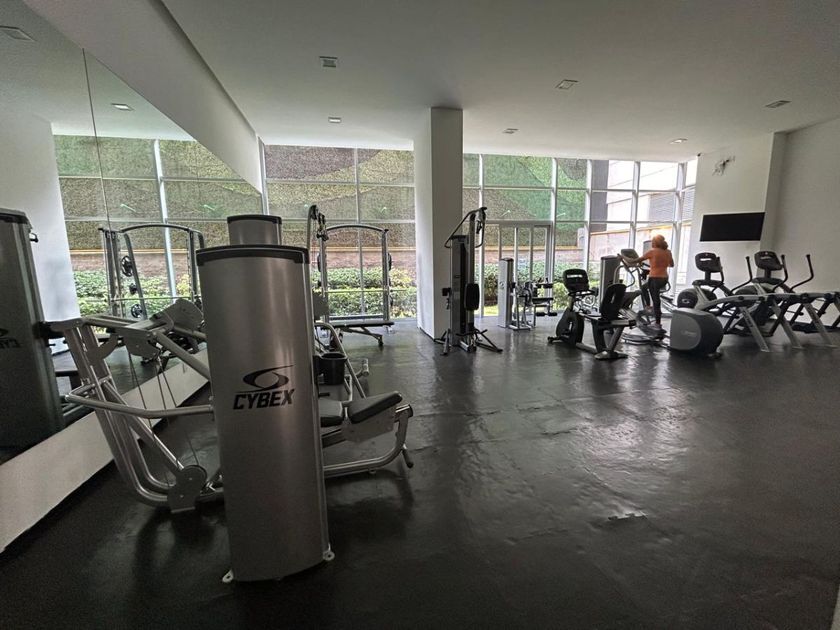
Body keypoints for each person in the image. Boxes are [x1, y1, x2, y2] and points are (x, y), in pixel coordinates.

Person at [624, 235, 674, 328]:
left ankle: (657, 323)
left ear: (655, 243)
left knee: (656, 301)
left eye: (653, 242)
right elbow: (671, 264)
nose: (652, 244)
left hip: (654, 278)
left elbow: (632, 261)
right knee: (644, 288)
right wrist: (658, 265)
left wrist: (622, 257)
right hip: (664, 279)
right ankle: (648, 307)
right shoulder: (668, 252)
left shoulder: (652, 252)